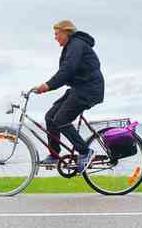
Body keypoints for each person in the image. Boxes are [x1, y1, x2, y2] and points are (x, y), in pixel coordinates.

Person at [33, 20, 105, 173]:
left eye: (57, 34)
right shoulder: (71, 46)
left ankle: (85, 152)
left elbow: (67, 70)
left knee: (61, 119)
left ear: (66, 32)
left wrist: (47, 86)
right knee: (50, 117)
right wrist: (48, 86)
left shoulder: (76, 44)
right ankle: (54, 155)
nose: (55, 37)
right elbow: (67, 74)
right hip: (79, 88)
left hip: (89, 89)